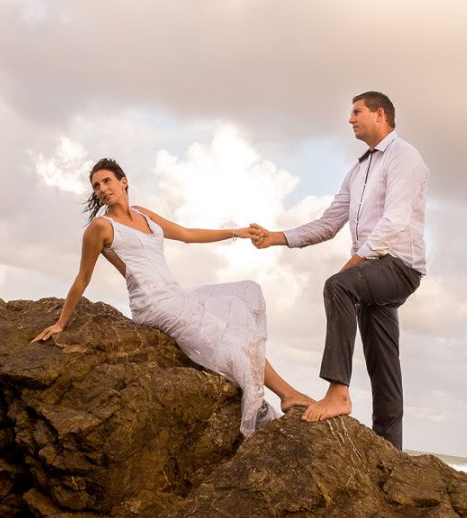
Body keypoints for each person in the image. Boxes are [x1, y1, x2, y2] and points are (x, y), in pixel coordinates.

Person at [33, 157, 312, 435]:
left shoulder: (143, 214)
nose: (102, 188)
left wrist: (235, 232)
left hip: (176, 295)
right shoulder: (101, 228)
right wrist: (61, 323)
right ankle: (283, 395)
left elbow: (187, 234)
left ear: (123, 182)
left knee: (237, 322)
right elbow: (83, 278)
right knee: (225, 337)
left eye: (107, 181)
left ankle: (285, 395)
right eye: (96, 186)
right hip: (151, 305)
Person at [249, 91, 428, 448]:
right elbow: (329, 223)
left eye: (356, 112)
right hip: (373, 272)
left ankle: (338, 392)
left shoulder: (405, 158)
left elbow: (393, 222)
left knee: (339, 286)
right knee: (383, 365)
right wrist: (277, 237)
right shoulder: (359, 169)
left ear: (380, 115)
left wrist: (355, 262)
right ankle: (390, 450)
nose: (350, 119)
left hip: (399, 266)